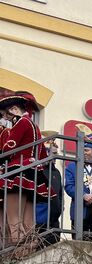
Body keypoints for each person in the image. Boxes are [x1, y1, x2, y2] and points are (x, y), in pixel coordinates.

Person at [0, 91, 51, 253]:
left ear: (14, 109)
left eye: (6, 115)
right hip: (33, 172)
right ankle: (29, 251)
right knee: (29, 223)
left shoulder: (21, 123)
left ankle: (16, 255)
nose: (6, 119)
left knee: (13, 218)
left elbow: (9, 147)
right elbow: (43, 155)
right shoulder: (34, 125)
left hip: (17, 171)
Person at [35, 135, 63, 248]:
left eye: (55, 154)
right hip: (39, 220)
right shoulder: (36, 170)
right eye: (51, 153)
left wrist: (59, 208)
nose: (54, 157)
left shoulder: (56, 172)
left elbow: (59, 194)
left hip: (54, 221)